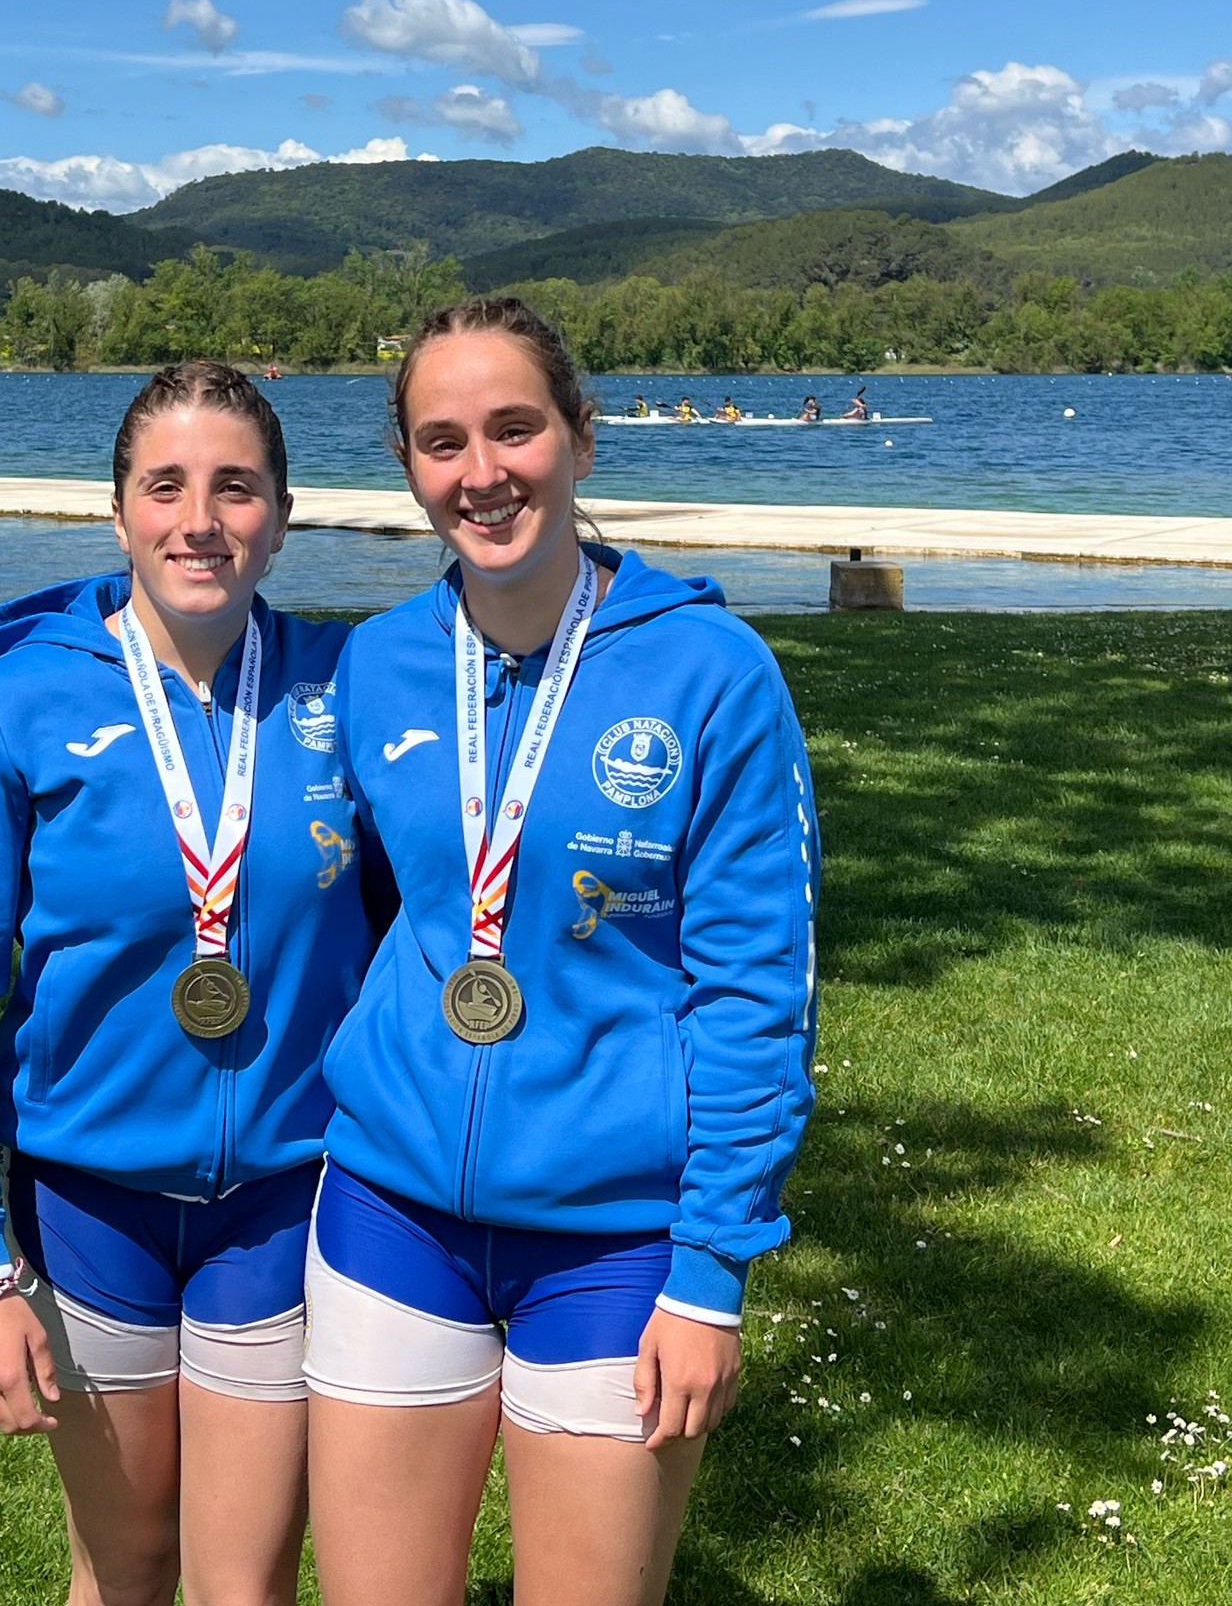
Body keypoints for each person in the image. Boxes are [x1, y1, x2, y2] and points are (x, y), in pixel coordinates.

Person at [304, 297, 819, 1606]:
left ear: (581, 439)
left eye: (514, 428)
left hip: (619, 1241)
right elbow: (347, 914)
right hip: (389, 1213)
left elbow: (758, 992)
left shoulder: (713, 673)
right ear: (410, 468)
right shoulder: (375, 668)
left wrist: (710, 1272)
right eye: (441, 441)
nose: (482, 473)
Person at [0, 361, 383, 1606]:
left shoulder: (355, 690)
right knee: (124, 1565)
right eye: (164, 486)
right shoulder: (11, 703)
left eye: (235, 487)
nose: (198, 519)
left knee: (243, 1579)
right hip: (90, 1206)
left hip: (282, 1200)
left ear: (282, 510)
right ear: (118, 512)